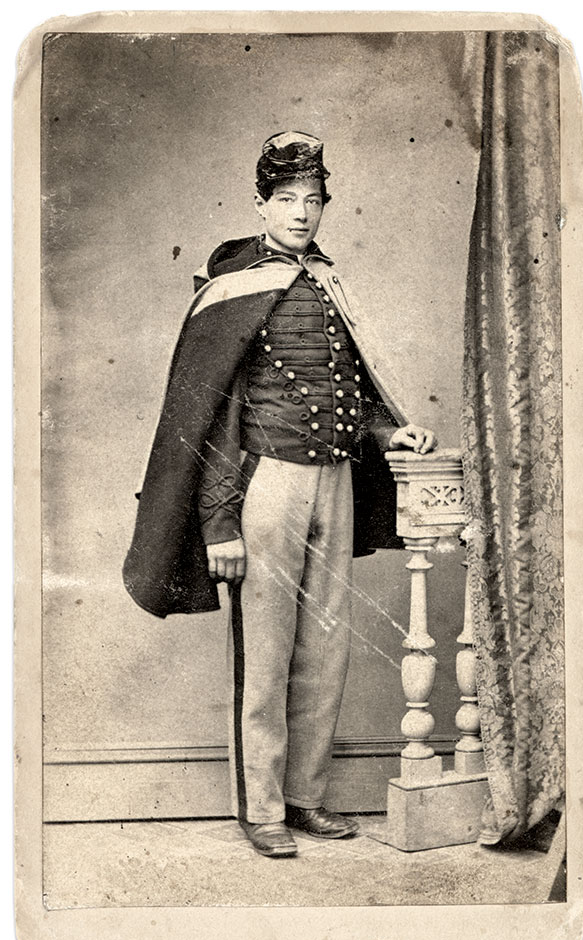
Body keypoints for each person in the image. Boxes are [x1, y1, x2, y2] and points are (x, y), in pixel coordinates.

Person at [123, 132, 436, 858]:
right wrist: (218, 523)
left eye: (313, 201)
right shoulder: (232, 285)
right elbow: (207, 418)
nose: (301, 213)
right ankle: (260, 806)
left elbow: (351, 398)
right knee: (264, 654)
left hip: (333, 482)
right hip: (265, 486)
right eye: (288, 200)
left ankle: (305, 798)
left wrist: (396, 437)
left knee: (326, 650)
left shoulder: (330, 282)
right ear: (260, 204)